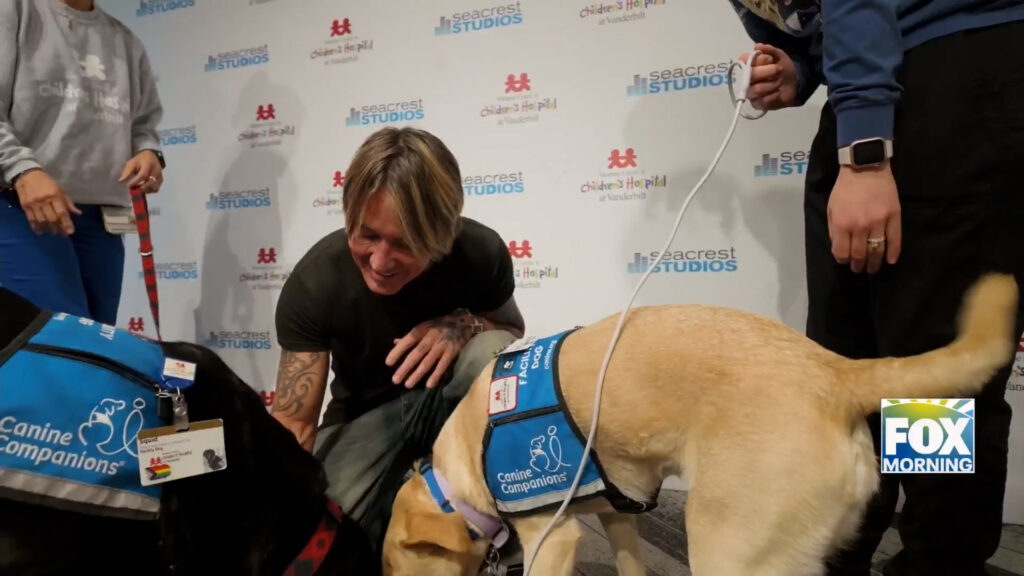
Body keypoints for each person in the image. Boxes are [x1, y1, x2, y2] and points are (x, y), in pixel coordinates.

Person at [727, 1, 1024, 575]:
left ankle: (939, 563)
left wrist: (865, 157)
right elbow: (807, 24)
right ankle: (837, 551)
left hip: (949, 71)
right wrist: (797, 69)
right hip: (864, 89)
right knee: (844, 368)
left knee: (927, 370)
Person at [271, 126, 526, 554]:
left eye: (404, 243)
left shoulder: (481, 252)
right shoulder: (315, 282)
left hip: (448, 404)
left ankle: (499, 516)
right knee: (327, 536)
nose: (380, 261)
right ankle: (405, 494)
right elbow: (295, 424)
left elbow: (512, 334)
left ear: (442, 234)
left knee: (492, 353)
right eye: (367, 235)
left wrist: (463, 325)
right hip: (363, 418)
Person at [0, 0, 165, 326]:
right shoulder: (14, 11)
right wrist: (23, 170)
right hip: (21, 208)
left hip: (102, 220)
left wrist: (148, 152)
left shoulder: (124, 40)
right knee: (56, 340)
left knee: (94, 344)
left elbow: (142, 123)